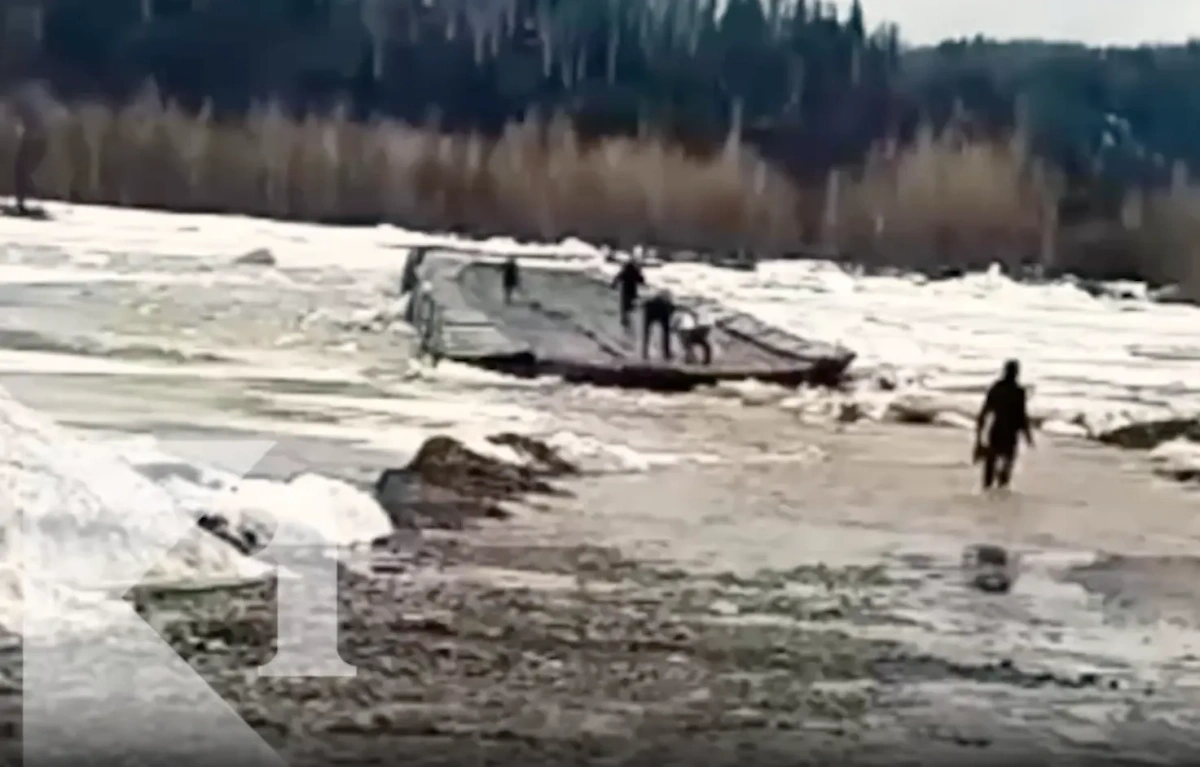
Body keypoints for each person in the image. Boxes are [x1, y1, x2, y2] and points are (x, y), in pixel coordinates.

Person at [974, 359, 1034, 490]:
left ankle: (988, 491)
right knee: (1006, 467)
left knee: (991, 466)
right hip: (1010, 432)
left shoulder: (996, 389)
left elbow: (984, 413)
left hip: (997, 430)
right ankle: (999, 490)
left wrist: (978, 439)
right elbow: (1022, 416)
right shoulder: (1018, 391)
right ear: (1017, 373)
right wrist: (1028, 435)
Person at [611, 256, 646, 330]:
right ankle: (628, 317)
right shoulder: (635, 271)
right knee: (630, 305)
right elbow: (641, 280)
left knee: (624, 306)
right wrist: (640, 273)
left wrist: (614, 284)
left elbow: (618, 277)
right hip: (632, 291)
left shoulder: (625, 271)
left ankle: (624, 320)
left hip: (625, 291)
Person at [641, 289, 676, 361]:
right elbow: (672, 310)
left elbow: (645, 305)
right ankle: (666, 354)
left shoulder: (651, 301)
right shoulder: (669, 303)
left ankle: (645, 353)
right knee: (666, 333)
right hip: (663, 311)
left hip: (650, 310)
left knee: (646, 333)